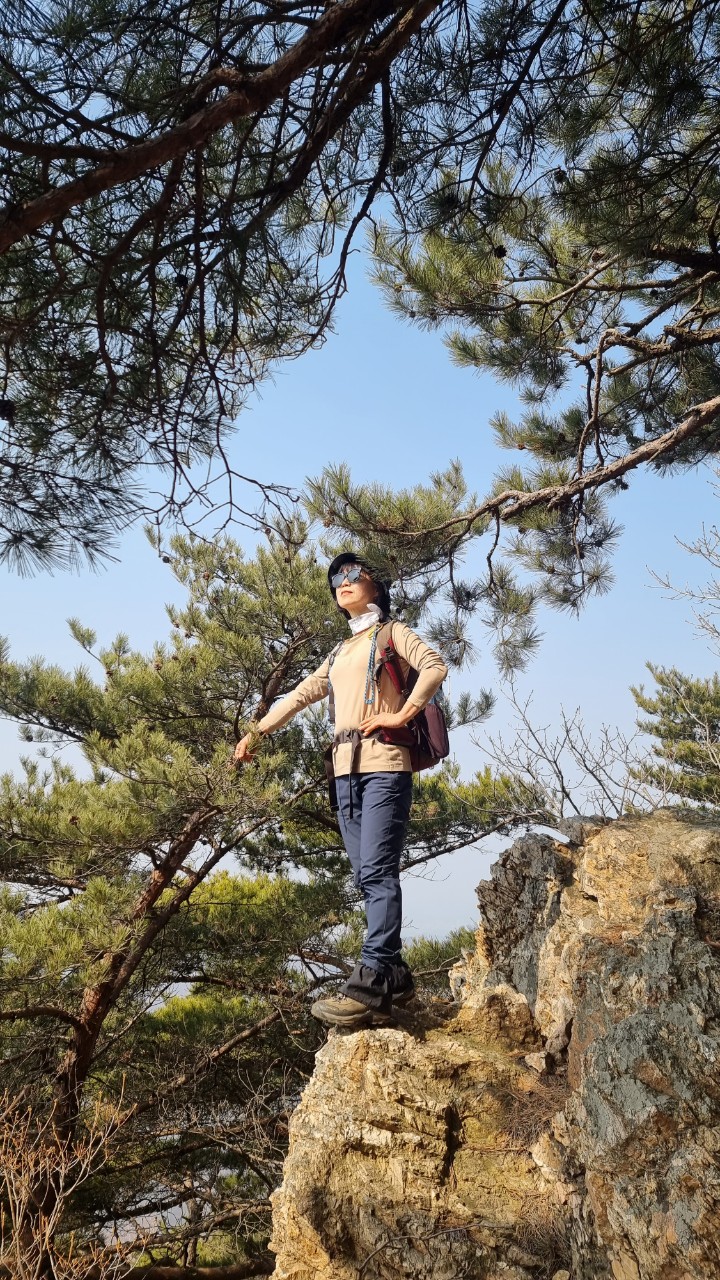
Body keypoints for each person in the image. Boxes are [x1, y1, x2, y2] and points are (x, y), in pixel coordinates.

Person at [234, 553, 448, 1029]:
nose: (343, 582)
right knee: (366, 874)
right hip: (344, 774)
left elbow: (434, 667)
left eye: (353, 574)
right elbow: (299, 696)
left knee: (377, 872)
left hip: (384, 766)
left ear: (376, 585)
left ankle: (369, 985)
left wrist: (401, 713)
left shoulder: (392, 633)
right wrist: (256, 733)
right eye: (336, 578)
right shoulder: (338, 653)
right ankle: (396, 979)